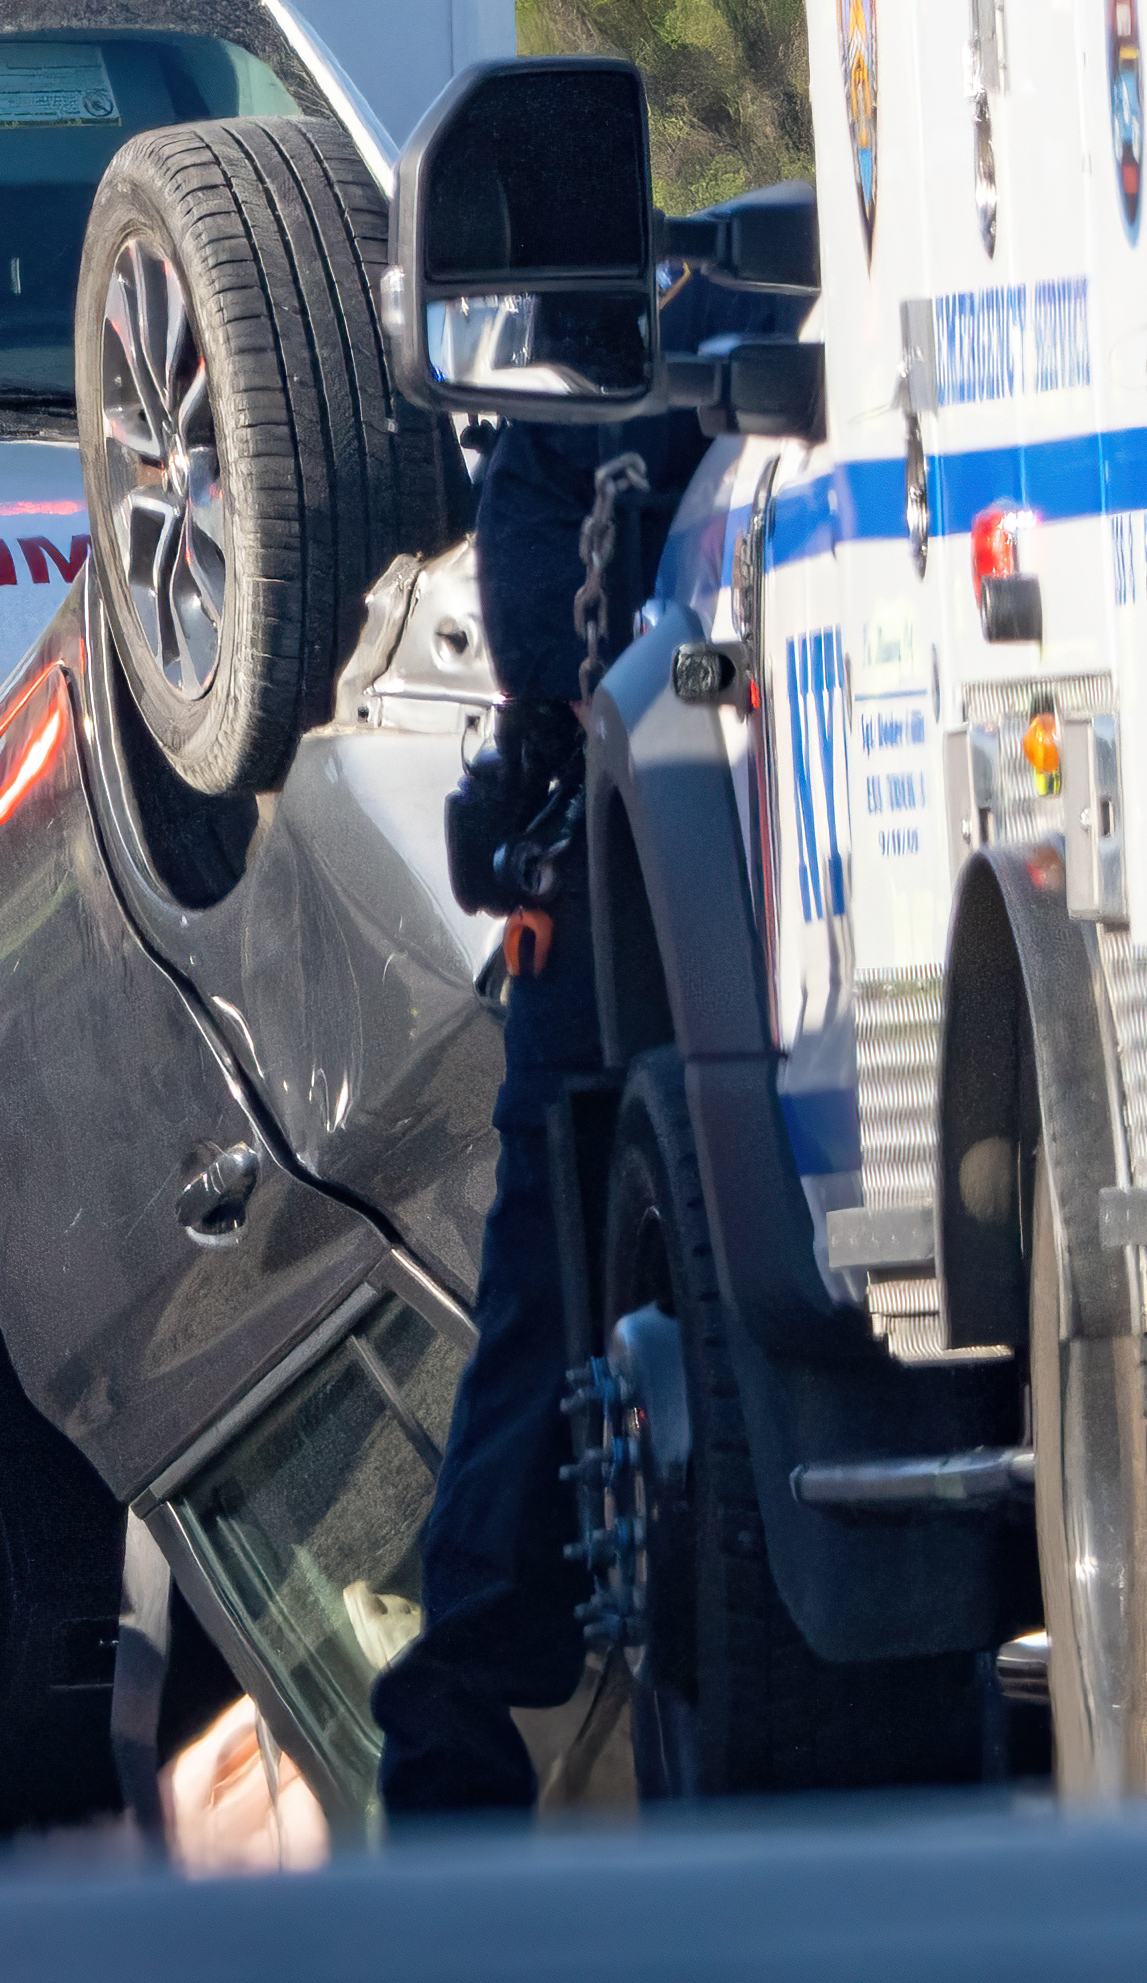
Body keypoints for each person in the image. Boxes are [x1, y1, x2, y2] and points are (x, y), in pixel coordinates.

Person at [370, 251, 793, 1814]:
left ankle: (462, 1722)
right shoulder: (611, 403)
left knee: (549, 1301)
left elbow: (580, 644)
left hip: (666, 893)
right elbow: (580, 652)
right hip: (630, 910)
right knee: (552, 1297)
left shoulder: (618, 391)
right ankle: (457, 1728)